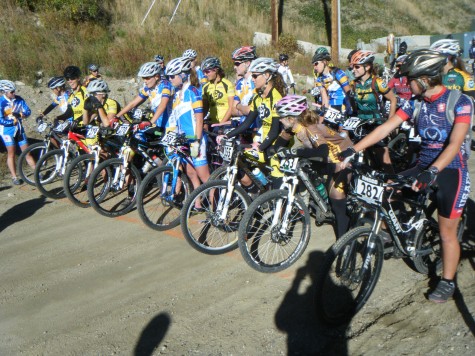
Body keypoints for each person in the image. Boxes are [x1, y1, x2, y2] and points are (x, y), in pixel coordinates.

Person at [339, 49, 473, 303]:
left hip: (450, 169)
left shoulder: (460, 102)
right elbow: (386, 127)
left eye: (409, 78)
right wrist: (353, 149)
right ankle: (397, 231)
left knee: (447, 233)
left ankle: (447, 280)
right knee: (386, 189)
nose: (405, 84)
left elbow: (455, 143)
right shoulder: (415, 102)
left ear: (423, 79)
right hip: (422, 163)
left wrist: (433, 171)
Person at [273, 95, 353, 239]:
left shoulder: (310, 129)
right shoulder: (292, 128)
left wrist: (296, 152)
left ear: (291, 118)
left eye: (282, 117)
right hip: (329, 157)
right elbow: (277, 146)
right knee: (306, 168)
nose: (279, 120)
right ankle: (320, 201)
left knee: (336, 198)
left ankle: (344, 244)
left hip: (343, 155)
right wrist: (277, 152)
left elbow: (322, 151)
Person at [165, 56, 210, 193]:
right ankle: (197, 203)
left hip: (195, 139)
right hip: (183, 139)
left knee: (205, 178)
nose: (170, 79)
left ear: (183, 75)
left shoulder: (193, 92)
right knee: (191, 174)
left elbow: (199, 118)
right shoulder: (176, 95)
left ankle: (215, 208)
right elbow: (173, 120)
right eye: (168, 77)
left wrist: (196, 140)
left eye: (172, 76)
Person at [350, 50, 397, 173]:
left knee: (383, 158)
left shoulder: (378, 82)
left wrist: (390, 123)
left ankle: (394, 186)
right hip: (361, 124)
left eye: (357, 67)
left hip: (377, 124)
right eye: (352, 67)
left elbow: (393, 99)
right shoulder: (353, 84)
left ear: (368, 67)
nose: (353, 70)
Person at [116, 62, 172, 130]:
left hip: (171, 125)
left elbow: (162, 105)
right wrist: (117, 116)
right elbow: (133, 103)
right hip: (158, 124)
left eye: (147, 78)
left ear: (156, 76)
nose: (145, 81)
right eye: (143, 78)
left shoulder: (166, 86)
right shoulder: (148, 88)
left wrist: (150, 123)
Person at [0, 80, 34, 185]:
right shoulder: (1, 102)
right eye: (11, 92)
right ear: (5, 92)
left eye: (14, 91)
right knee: (12, 153)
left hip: (19, 130)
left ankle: (36, 171)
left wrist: (22, 114)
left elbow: (28, 111)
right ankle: (14, 177)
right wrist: (12, 122)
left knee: (27, 152)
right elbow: (0, 120)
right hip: (6, 132)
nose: (14, 93)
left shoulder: (19, 99)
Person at [312, 47, 353, 115]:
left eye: (316, 64)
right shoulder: (319, 79)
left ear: (324, 61)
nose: (314, 67)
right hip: (331, 107)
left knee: (340, 125)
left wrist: (350, 110)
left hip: (342, 105)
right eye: (313, 65)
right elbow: (324, 100)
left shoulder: (338, 73)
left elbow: (349, 93)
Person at [201, 57, 235, 132]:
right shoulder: (206, 87)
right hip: (212, 123)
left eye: (207, 72)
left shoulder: (227, 84)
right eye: (204, 72)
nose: (205, 74)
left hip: (226, 124)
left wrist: (221, 124)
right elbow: (205, 108)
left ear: (215, 70)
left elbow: (231, 107)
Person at [231, 46, 257, 127]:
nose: (234, 67)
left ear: (247, 63)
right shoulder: (239, 83)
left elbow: (251, 110)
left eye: (237, 63)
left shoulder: (255, 81)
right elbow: (233, 110)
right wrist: (243, 110)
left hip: (256, 127)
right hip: (243, 127)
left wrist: (239, 106)